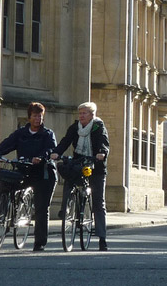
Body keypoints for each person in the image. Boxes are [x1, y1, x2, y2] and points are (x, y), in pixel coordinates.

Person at [0, 102, 57, 252]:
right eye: (35, 116)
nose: (38, 119)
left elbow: (50, 149)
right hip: (24, 170)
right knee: (6, 184)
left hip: (43, 174)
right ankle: (6, 216)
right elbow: (7, 144)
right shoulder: (21, 133)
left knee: (41, 208)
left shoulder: (47, 134)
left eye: (40, 116)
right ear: (29, 117)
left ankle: (39, 243)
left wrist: (40, 157)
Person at [51, 102, 110, 251]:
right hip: (79, 163)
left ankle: (102, 238)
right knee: (69, 182)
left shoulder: (98, 127)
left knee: (98, 202)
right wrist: (57, 152)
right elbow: (65, 141)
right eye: (80, 113)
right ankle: (66, 209)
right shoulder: (75, 127)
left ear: (92, 115)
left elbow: (104, 143)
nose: (81, 116)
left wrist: (102, 153)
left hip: (95, 166)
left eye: (84, 113)